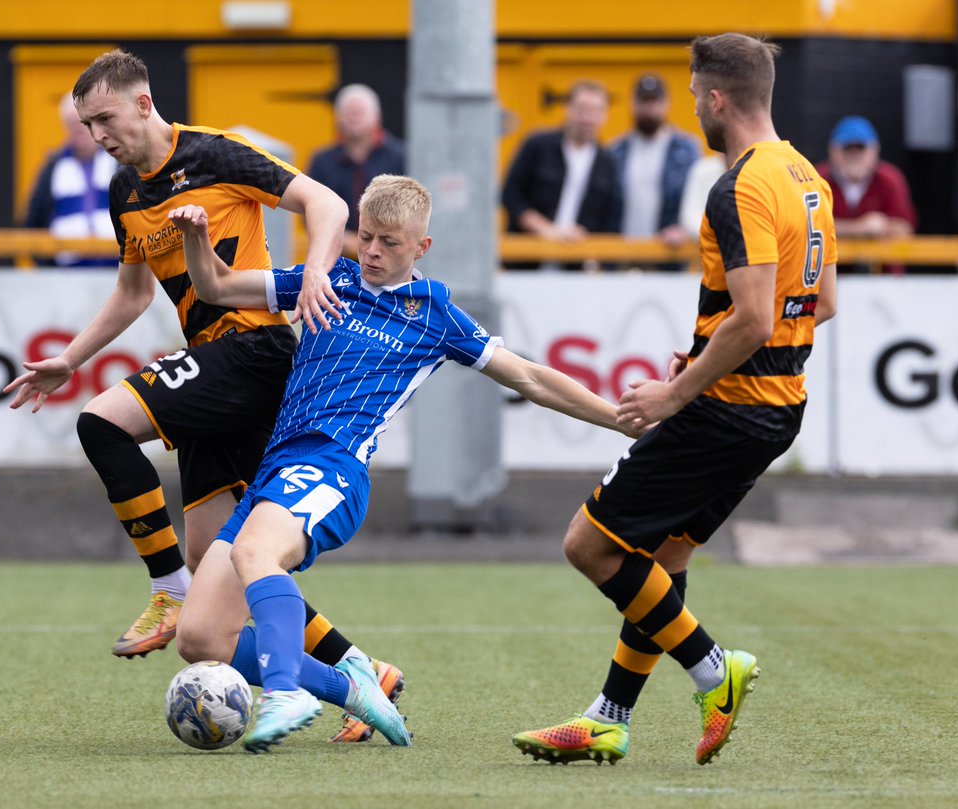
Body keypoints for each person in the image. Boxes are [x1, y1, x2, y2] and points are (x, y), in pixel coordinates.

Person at [1, 49, 397, 745]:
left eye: (104, 119)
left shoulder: (218, 154)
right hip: (215, 370)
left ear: (144, 104)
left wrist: (316, 277)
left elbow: (327, 203)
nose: (97, 135)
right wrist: (69, 358)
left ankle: (167, 591)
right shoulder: (127, 192)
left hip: (254, 352)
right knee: (229, 561)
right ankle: (363, 672)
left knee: (103, 424)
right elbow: (130, 293)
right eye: (87, 125)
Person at [167, 174, 641, 753]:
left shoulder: (434, 316)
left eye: (390, 242)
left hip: (334, 467)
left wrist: (617, 418)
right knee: (201, 637)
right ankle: (352, 688)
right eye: (365, 236)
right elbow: (214, 285)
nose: (371, 251)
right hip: (277, 469)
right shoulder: (329, 279)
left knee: (254, 553)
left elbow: (531, 377)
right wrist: (196, 237)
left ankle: (287, 690)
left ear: (422, 247)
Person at [513, 33, 838, 766]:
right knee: (659, 555)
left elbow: (756, 316)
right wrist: (704, 351)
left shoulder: (741, 185)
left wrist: (677, 390)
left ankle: (715, 672)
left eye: (695, 93)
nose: (693, 106)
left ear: (717, 98)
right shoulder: (806, 177)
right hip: (779, 407)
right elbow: (818, 303)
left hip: (730, 408)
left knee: (590, 545)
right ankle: (609, 715)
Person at [501, 80, 621, 271]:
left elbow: (611, 218)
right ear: (569, 109)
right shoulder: (537, 145)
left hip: (576, 266)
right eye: (582, 109)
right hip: (526, 261)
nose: (587, 118)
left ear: (605, 115)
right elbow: (510, 195)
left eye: (595, 111)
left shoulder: (608, 162)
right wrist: (546, 230)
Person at [609, 74, 702, 268]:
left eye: (655, 102)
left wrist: (685, 229)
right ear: (632, 104)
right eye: (643, 102)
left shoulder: (686, 150)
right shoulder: (616, 151)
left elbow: (699, 198)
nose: (649, 109)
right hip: (621, 256)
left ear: (666, 103)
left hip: (667, 255)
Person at [307, 84, 405, 259]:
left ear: (377, 117)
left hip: (391, 256)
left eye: (360, 112)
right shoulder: (322, 161)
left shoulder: (401, 157)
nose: (354, 117)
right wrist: (344, 239)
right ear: (337, 118)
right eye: (348, 112)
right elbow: (308, 211)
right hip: (338, 257)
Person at [22, 96, 118, 268]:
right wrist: (48, 268)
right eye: (72, 124)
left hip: (118, 267)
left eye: (84, 124)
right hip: (67, 272)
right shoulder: (52, 167)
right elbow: (33, 221)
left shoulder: (119, 161)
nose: (79, 130)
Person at [815, 115, 917, 274]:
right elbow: (808, 229)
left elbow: (904, 230)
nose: (854, 156)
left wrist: (841, 229)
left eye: (860, 150)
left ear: (874, 151)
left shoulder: (891, 179)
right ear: (833, 150)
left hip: (883, 277)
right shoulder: (816, 179)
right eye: (847, 149)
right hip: (829, 276)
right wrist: (861, 228)